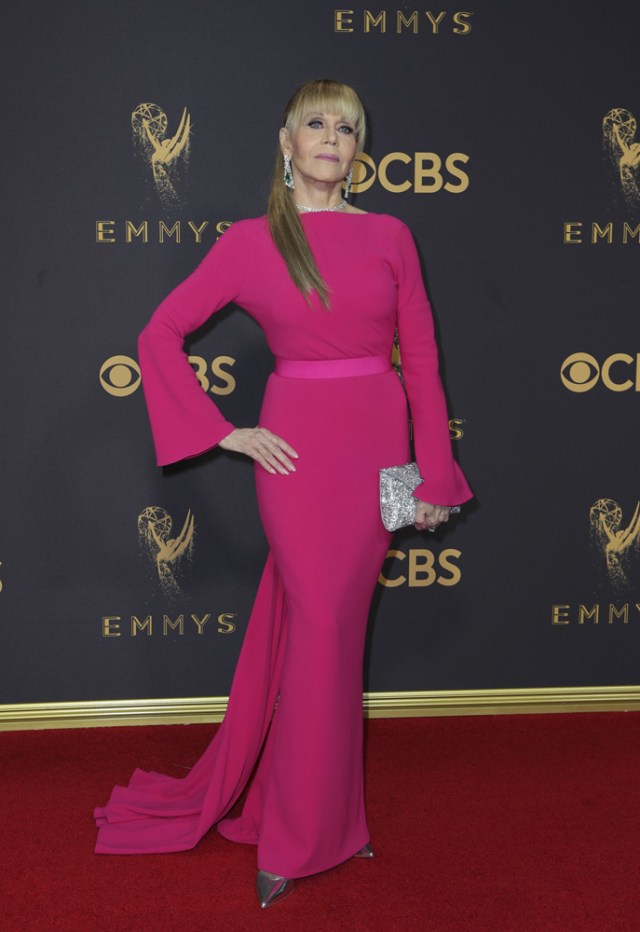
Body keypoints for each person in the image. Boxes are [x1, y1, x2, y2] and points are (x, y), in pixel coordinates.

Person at [94, 79, 473, 908]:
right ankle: (301, 839)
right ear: (286, 141)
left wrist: (430, 480)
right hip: (297, 458)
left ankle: (318, 816)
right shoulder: (250, 241)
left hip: (378, 452)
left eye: (347, 126)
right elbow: (158, 331)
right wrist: (224, 431)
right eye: (317, 124)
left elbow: (424, 365)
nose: (332, 137)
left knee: (331, 639)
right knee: (324, 635)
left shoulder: (391, 234)